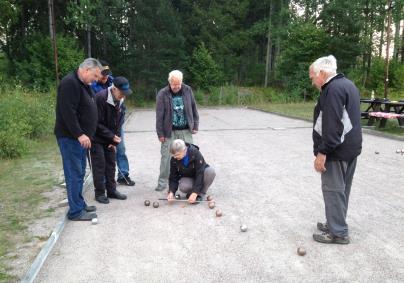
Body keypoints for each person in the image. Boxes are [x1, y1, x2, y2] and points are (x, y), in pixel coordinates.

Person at [310, 55, 362, 244]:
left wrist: (322, 152)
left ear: (322, 73)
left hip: (336, 151)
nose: (312, 81)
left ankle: (338, 232)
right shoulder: (348, 84)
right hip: (351, 149)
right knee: (341, 190)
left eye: (313, 77)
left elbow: (333, 125)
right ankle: (335, 222)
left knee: (332, 190)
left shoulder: (332, 89)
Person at [54, 58, 102, 221]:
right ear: (86, 70)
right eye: (95, 76)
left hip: (80, 139)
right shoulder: (70, 83)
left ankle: (79, 204)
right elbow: (68, 112)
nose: (96, 80)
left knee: (80, 172)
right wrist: (80, 134)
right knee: (74, 173)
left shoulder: (83, 84)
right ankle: (75, 211)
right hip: (70, 138)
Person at [91, 60, 135, 186]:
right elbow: (96, 118)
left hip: (115, 123)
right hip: (101, 123)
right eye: (102, 74)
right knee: (101, 156)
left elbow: (121, 113)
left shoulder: (115, 82)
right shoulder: (93, 86)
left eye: (107, 74)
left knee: (119, 148)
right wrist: (109, 136)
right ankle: (103, 182)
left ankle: (123, 175)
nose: (105, 77)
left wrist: (115, 135)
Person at [155, 70, 199, 191]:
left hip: (186, 129)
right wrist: (160, 133)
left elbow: (194, 108)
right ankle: (162, 183)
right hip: (169, 131)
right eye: (174, 84)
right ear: (169, 82)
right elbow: (159, 116)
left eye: (178, 84)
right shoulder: (162, 93)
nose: (176, 87)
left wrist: (195, 124)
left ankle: (193, 182)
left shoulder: (188, 90)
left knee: (190, 155)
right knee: (166, 158)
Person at [167, 139, 215, 204]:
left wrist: (195, 193)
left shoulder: (195, 153)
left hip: (200, 175)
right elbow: (173, 176)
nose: (175, 157)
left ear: (184, 150)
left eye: (177, 155)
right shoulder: (174, 159)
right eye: (173, 155)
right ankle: (191, 193)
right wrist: (171, 192)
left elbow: (200, 173)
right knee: (183, 186)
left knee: (210, 172)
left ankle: (201, 193)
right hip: (189, 177)